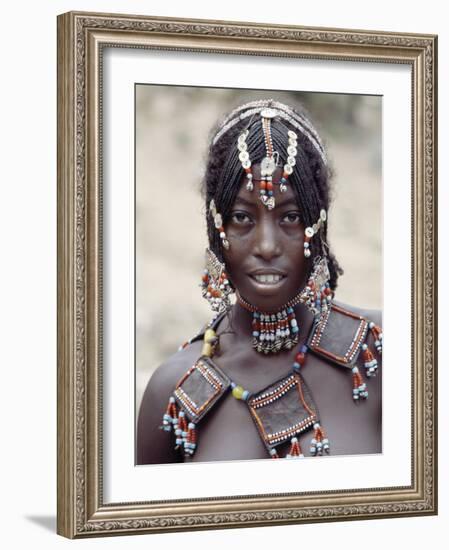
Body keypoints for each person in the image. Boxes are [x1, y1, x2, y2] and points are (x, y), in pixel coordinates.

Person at [137, 99, 382, 464]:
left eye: (291, 217)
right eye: (241, 217)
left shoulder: (380, 351)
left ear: (318, 226)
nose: (266, 246)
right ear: (215, 227)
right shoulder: (173, 392)